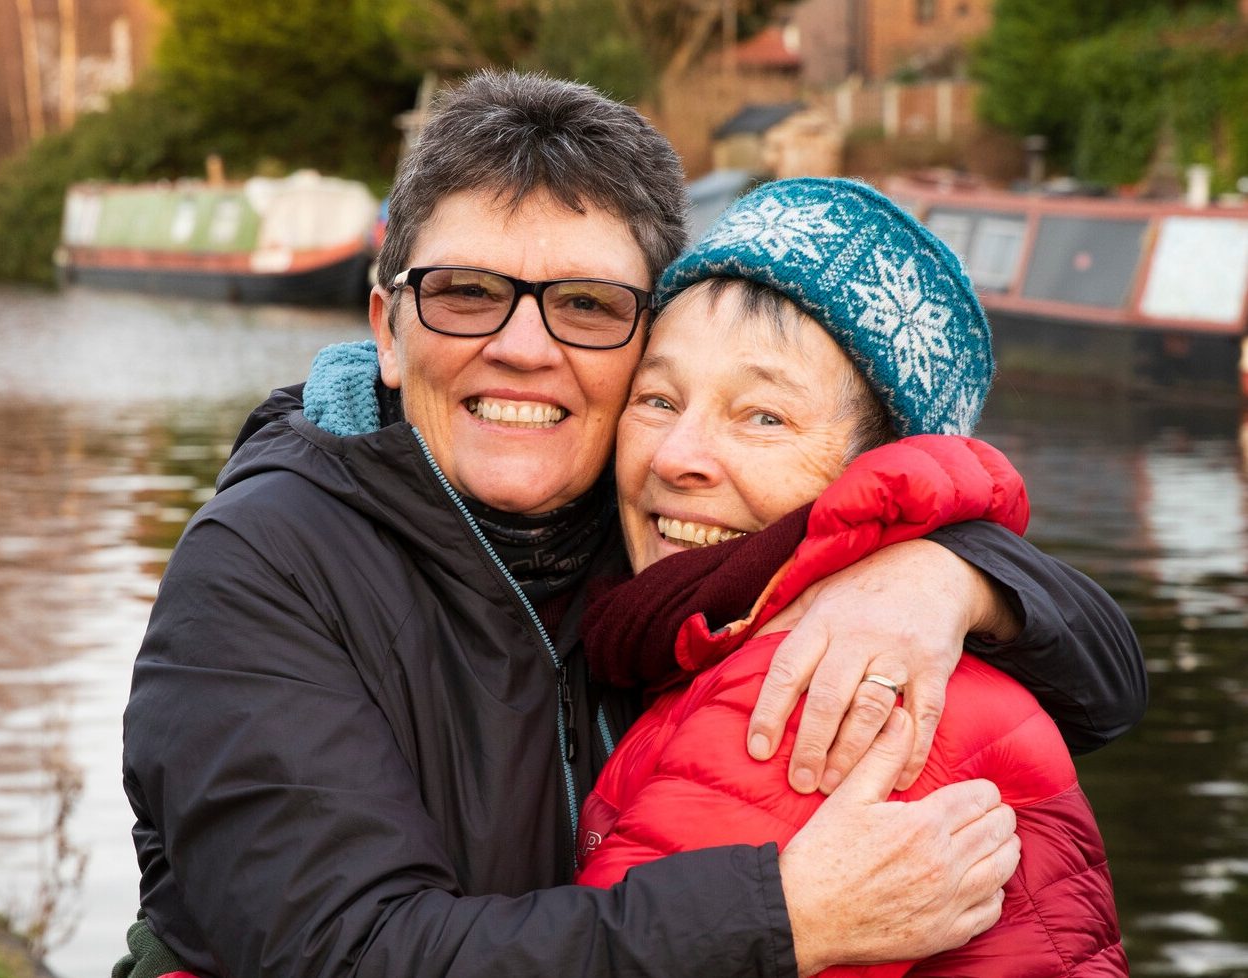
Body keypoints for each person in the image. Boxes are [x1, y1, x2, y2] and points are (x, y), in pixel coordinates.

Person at [121, 71, 1146, 977]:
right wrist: (780, 918)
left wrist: (946, 578)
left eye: (584, 305)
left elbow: (1107, 684)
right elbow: (342, 953)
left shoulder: (658, 547)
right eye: (467, 292)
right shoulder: (262, 566)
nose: (524, 347)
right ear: (388, 331)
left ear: (637, 336)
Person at [574, 178, 1123, 976]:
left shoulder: (814, 688)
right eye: (657, 398)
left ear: (875, 465)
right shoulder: (696, 634)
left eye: (763, 417)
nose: (674, 455)